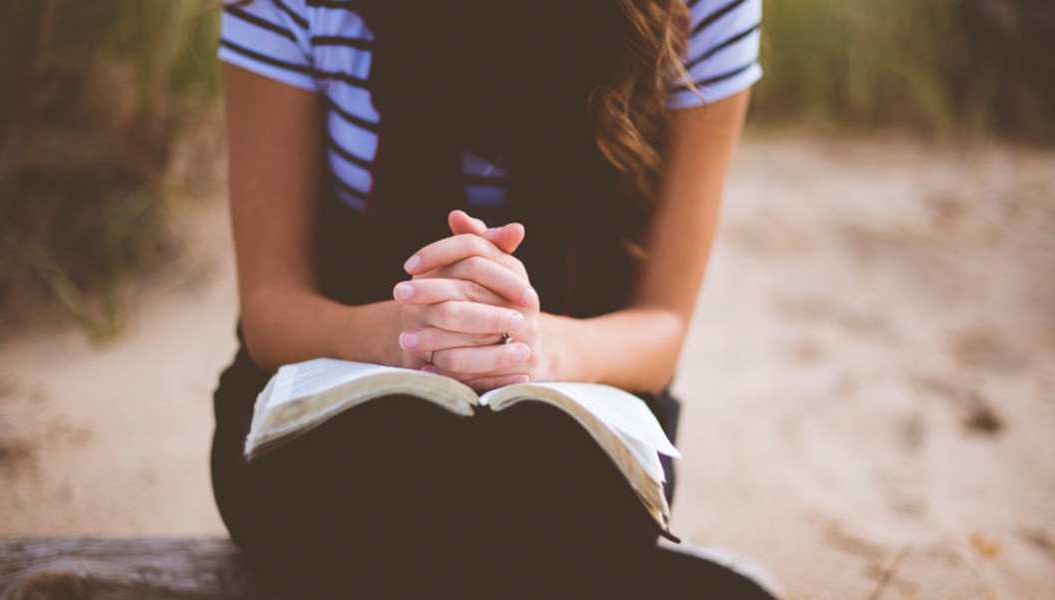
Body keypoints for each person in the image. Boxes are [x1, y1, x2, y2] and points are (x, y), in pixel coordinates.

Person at [209, 0, 775, 597]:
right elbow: (270, 306)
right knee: (389, 512)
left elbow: (662, 324)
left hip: (576, 422)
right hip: (336, 413)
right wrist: (414, 335)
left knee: (543, 510)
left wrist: (534, 346)